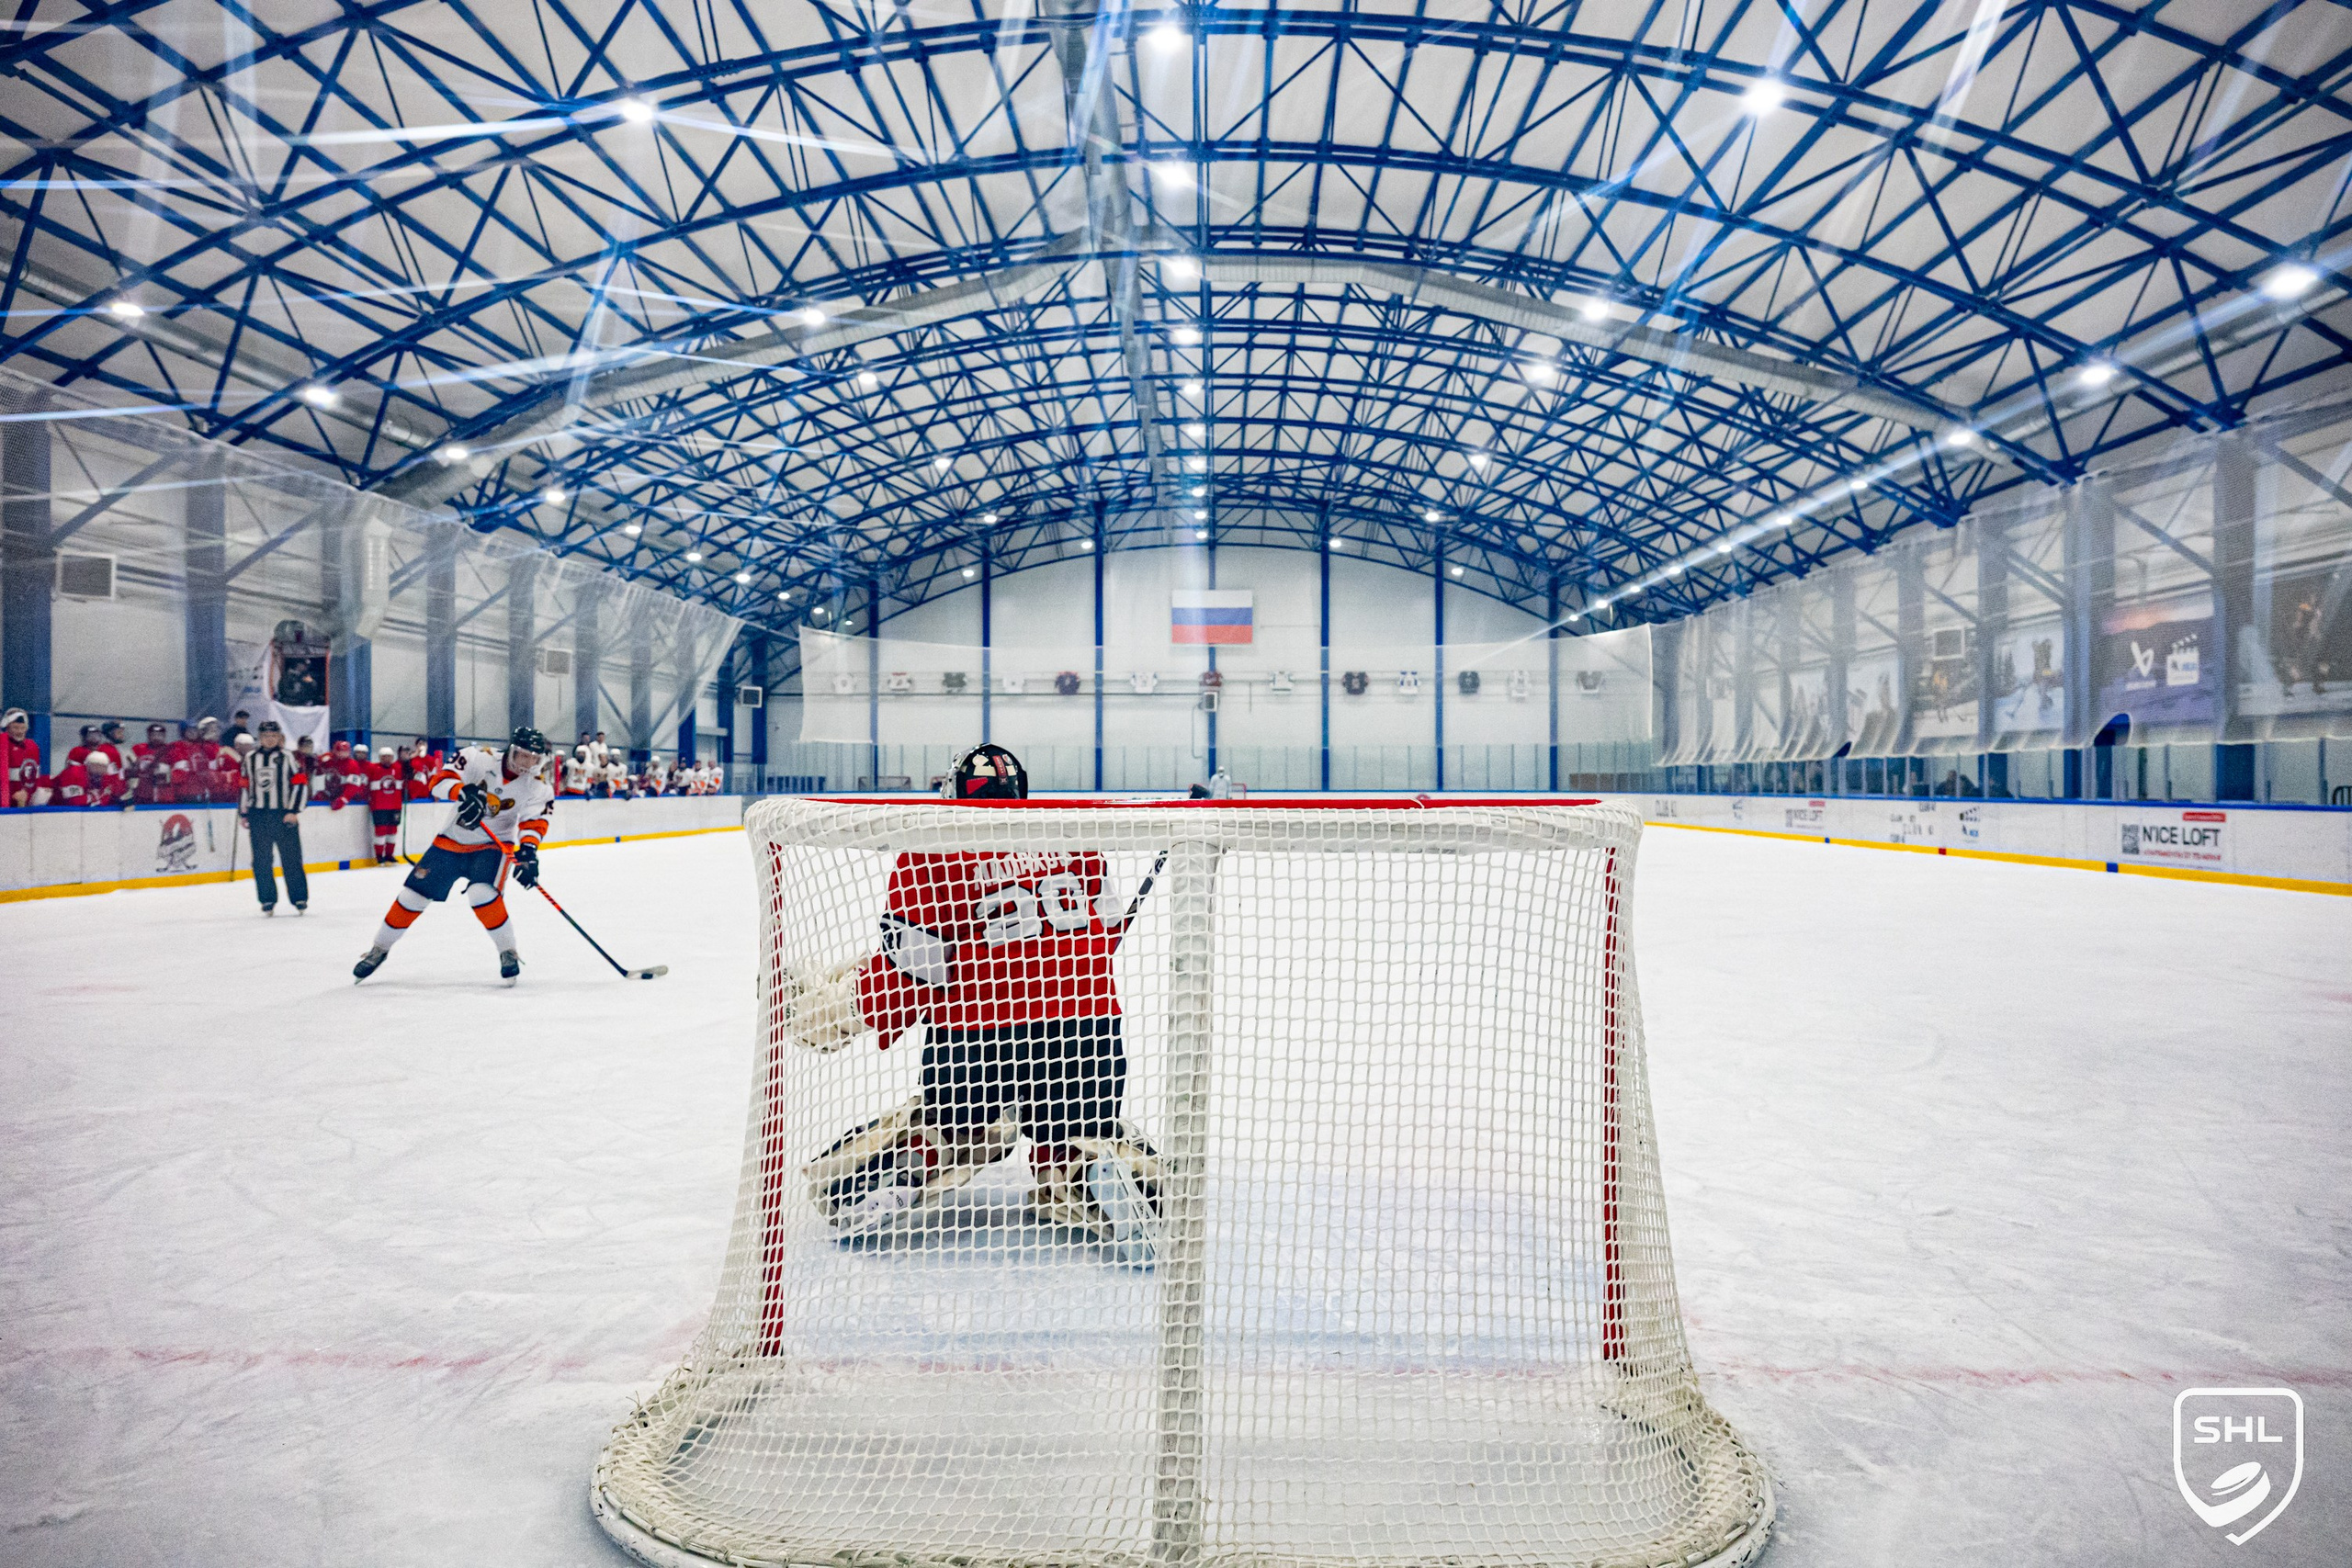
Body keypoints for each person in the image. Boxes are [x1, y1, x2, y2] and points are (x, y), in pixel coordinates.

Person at [785, 744, 1162, 1257]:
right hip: (1086, 1028)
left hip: (976, 1037)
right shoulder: (1072, 837)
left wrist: (840, 1012)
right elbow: (1107, 930)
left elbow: (910, 973)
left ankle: (921, 1154)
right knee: (1078, 1128)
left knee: (958, 1124)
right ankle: (1089, 1169)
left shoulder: (932, 844)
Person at [352, 726, 557, 987]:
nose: (527, 763)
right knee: (412, 896)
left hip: (493, 846)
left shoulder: (538, 785)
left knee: (483, 894)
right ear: (510, 750)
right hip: (451, 839)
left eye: (534, 758)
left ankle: (507, 951)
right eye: (523, 755)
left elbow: (534, 821)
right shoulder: (477, 757)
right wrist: (463, 792)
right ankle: (379, 949)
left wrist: (528, 853)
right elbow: (438, 782)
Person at [238, 718, 311, 915]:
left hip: (283, 815)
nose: (269, 739)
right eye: (265, 736)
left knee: (292, 859)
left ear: (279, 737)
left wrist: (293, 811)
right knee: (261, 860)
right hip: (258, 815)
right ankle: (267, 899)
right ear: (259, 738)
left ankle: (299, 898)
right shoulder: (250, 758)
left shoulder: (288, 757)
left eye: (273, 736)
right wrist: (244, 813)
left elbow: (301, 783)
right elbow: (245, 786)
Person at [368, 745, 405, 864]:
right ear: (380, 758)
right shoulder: (373, 768)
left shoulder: (398, 768)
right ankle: (379, 856)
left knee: (393, 830)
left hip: (395, 806)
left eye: (389, 757)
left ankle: (389, 855)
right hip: (379, 806)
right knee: (381, 831)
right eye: (384, 757)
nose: (387, 759)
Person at [1, 707, 39, 807]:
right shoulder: (3, 745)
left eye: (23, 728)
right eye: (15, 728)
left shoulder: (32, 746)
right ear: (7, 727)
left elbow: (34, 776)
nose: (20, 731)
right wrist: (9, 796)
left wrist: (27, 793)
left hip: (25, 802)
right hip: (4, 803)